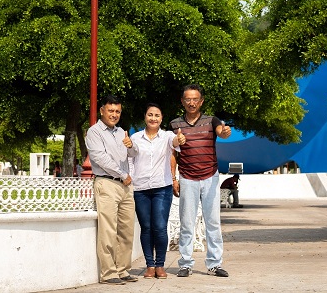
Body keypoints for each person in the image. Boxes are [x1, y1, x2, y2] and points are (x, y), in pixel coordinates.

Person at [169, 83, 232, 278]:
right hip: (187, 178)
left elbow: (221, 131)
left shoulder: (211, 121)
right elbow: (172, 154)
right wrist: (174, 179)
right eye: (188, 99)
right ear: (182, 101)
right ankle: (185, 264)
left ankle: (214, 264)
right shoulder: (174, 125)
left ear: (201, 101)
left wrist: (224, 132)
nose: (191, 102)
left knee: (213, 223)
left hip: (210, 177)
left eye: (195, 99)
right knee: (186, 223)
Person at [85, 95, 139, 285]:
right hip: (107, 183)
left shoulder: (121, 132)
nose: (114, 114)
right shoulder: (94, 132)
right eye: (111, 111)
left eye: (117, 111)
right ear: (102, 111)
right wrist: (123, 175)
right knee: (108, 230)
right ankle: (108, 273)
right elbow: (101, 159)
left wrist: (132, 146)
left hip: (125, 185)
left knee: (126, 230)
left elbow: (133, 154)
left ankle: (123, 270)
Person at [129, 103, 186, 279]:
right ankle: (149, 265)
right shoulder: (135, 138)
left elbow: (175, 142)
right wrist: (131, 178)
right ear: (145, 117)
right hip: (141, 189)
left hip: (162, 188)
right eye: (150, 115)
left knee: (160, 227)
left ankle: (160, 265)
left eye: (157, 115)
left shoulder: (168, 136)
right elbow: (130, 160)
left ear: (161, 119)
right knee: (146, 228)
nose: (153, 118)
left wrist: (180, 139)